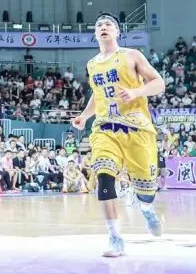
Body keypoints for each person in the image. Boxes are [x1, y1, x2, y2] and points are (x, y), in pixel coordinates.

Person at [71, 13, 166, 258]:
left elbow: (159, 83)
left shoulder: (132, 55)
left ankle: (146, 209)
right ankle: (115, 238)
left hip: (137, 127)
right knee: (104, 176)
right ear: (95, 33)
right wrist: (84, 116)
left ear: (117, 31)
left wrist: (137, 92)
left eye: (108, 24)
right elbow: (97, 95)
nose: (103, 27)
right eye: (99, 25)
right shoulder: (92, 64)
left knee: (146, 189)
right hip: (105, 127)